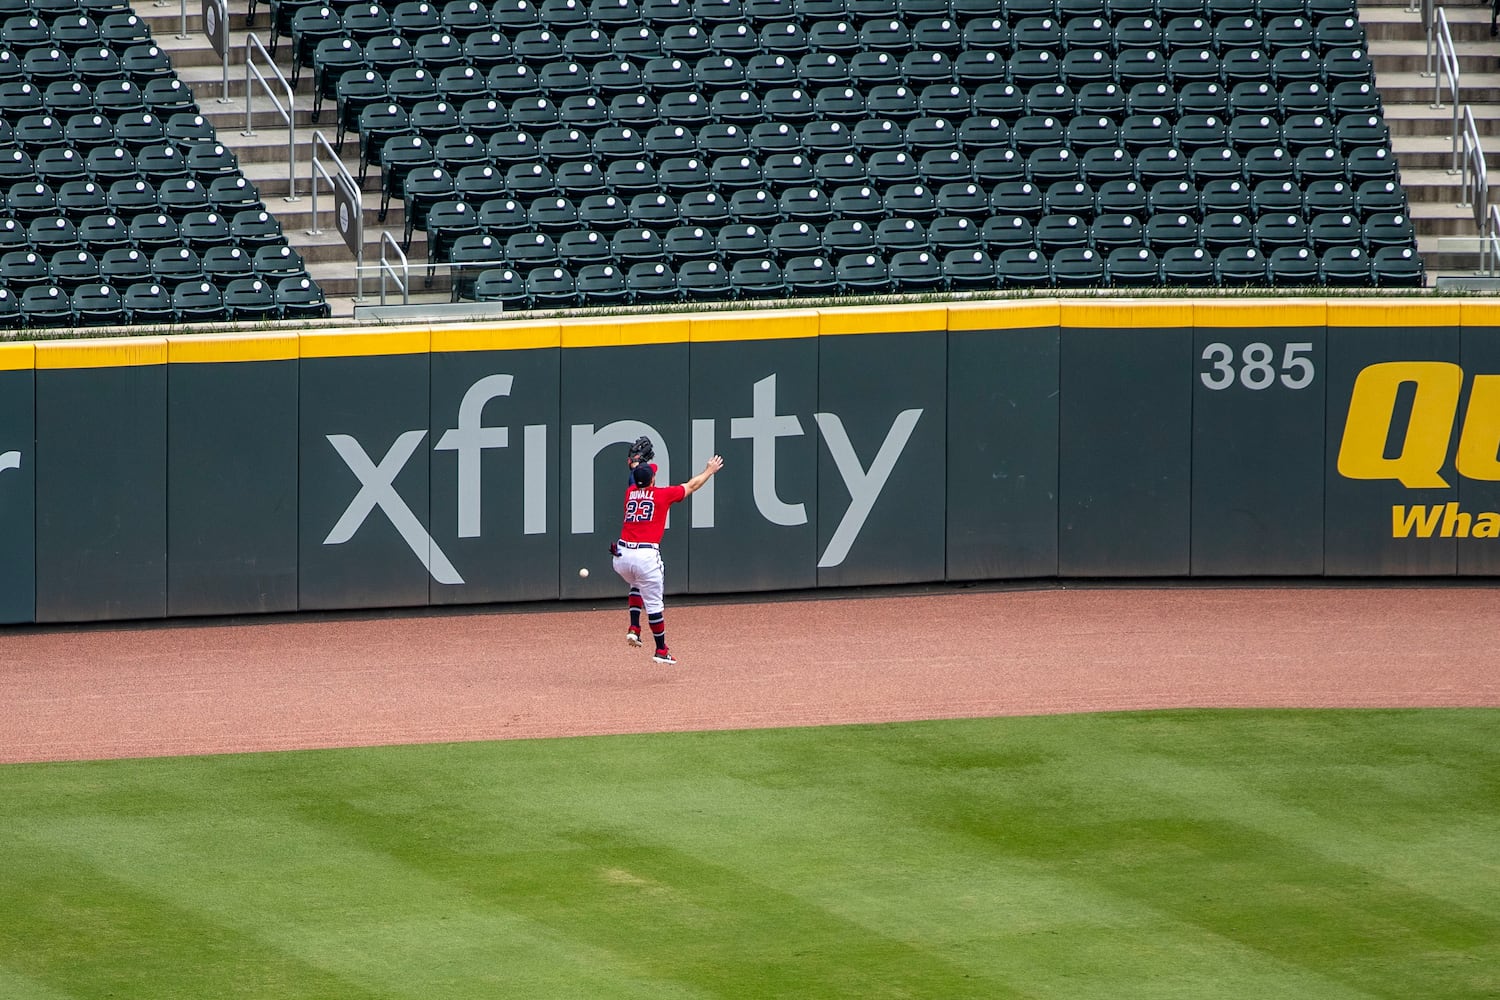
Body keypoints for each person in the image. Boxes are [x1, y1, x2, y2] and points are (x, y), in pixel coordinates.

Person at [612, 453, 724, 664]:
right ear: (653, 480)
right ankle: (661, 650)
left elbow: (634, 477)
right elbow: (692, 485)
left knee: (636, 582)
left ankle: (634, 627)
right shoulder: (663, 494)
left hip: (622, 556)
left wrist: (633, 463)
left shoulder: (630, 492)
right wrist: (709, 470)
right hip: (645, 556)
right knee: (654, 604)